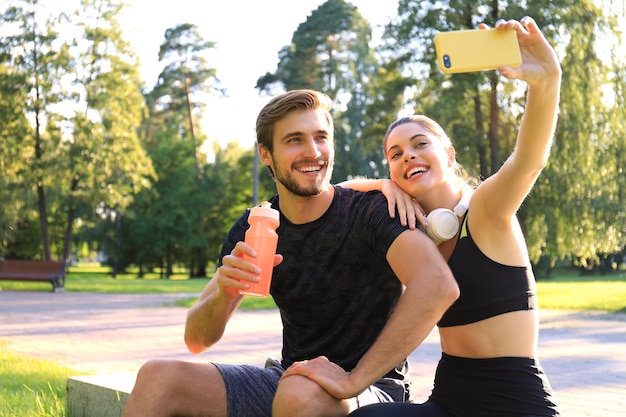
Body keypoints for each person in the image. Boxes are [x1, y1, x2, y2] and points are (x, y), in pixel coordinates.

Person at [281, 17, 562, 417]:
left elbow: (529, 161)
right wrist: (382, 186)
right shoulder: (413, 232)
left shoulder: (485, 209)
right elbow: (333, 192)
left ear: (448, 155)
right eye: (395, 155)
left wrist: (547, 80)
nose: (407, 155)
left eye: (419, 144)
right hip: (449, 400)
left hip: (513, 400)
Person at [121, 89, 459, 417]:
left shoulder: (369, 212)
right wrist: (224, 292)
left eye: (321, 137)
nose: (313, 151)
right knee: (158, 378)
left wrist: (352, 379)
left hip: (372, 390)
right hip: (289, 379)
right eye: (294, 139)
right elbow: (196, 339)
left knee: (298, 393)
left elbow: (437, 285)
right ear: (266, 154)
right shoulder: (257, 224)